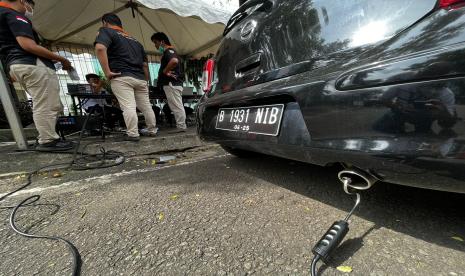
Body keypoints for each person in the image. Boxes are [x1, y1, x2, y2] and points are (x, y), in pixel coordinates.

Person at [0, 0, 74, 151]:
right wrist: (63, 59)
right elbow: (28, 45)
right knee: (47, 103)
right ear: (22, 1)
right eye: (31, 6)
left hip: (15, 64)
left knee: (42, 101)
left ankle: (45, 137)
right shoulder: (15, 15)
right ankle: (48, 140)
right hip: (31, 63)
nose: (30, 10)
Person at [94, 13, 157, 142]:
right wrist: (146, 80)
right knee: (146, 106)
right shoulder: (136, 42)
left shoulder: (106, 31)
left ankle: (133, 134)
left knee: (128, 106)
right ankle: (152, 130)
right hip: (140, 78)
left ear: (105, 22)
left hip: (121, 76)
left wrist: (107, 72)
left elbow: (100, 48)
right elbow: (145, 65)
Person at [151, 32, 187, 133]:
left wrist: (165, 71)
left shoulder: (169, 51)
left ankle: (181, 127)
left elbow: (174, 61)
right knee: (176, 105)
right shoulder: (168, 52)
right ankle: (181, 126)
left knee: (176, 106)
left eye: (155, 42)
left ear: (162, 41)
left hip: (172, 83)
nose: (155, 45)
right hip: (173, 84)